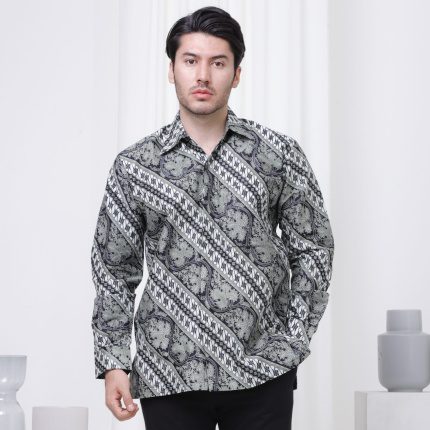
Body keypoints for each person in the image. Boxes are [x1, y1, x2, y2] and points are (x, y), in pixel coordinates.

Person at [90, 6, 335, 430]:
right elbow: (114, 270)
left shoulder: (277, 154)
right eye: (191, 61)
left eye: (218, 63)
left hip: (263, 370)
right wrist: (113, 362)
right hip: (168, 372)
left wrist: (293, 338)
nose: (202, 75)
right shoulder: (135, 166)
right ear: (172, 70)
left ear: (236, 74)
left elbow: (314, 247)